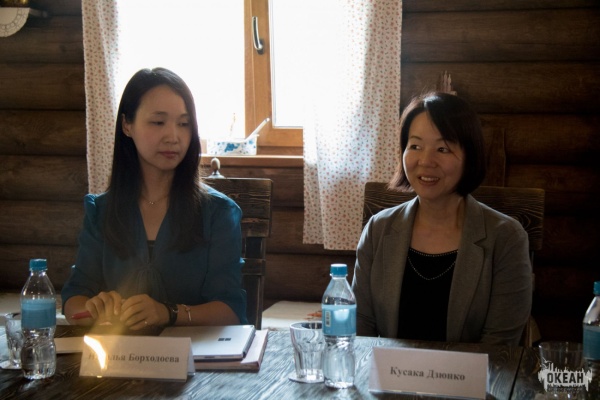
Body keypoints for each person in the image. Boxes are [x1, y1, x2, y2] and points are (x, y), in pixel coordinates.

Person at [62, 67, 246, 329]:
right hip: (120, 352)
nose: (173, 137)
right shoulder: (101, 211)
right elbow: (74, 298)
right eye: (158, 122)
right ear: (127, 125)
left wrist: (169, 313)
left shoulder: (218, 212)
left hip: (196, 353)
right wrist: (94, 309)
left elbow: (231, 311)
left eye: (184, 124)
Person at [352, 91, 532, 345]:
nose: (426, 161)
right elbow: (360, 326)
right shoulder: (378, 229)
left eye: (442, 149)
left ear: (470, 156)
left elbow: (499, 345)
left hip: (470, 372)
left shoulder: (506, 237)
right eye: (415, 146)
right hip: (389, 370)